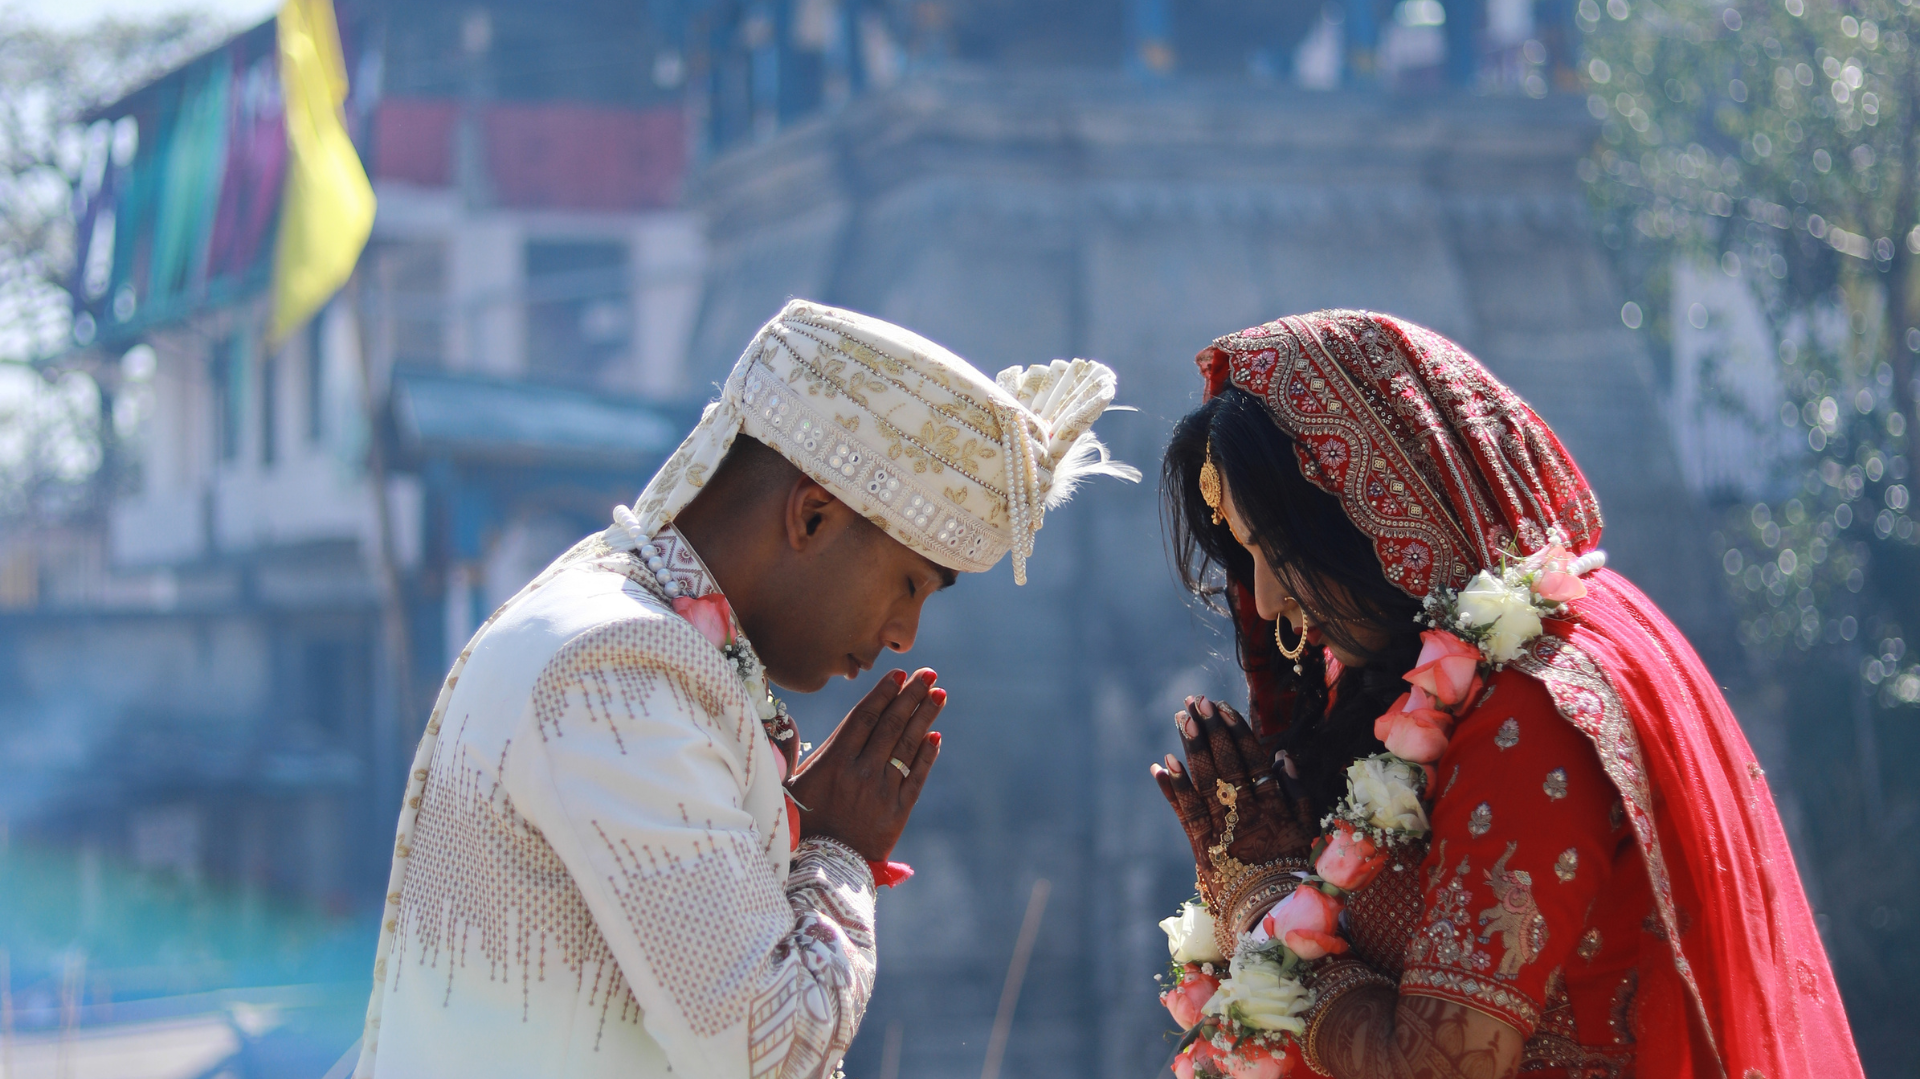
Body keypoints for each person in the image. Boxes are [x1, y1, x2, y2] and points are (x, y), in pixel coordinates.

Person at [352, 299, 1136, 1079]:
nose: (905, 633)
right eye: (909, 583)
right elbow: (772, 1051)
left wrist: (794, 837)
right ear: (814, 516)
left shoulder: (617, 624)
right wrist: (838, 855)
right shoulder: (620, 667)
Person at [1150, 310, 1862, 1079]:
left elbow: (1442, 1065)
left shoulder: (1532, 704)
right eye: (1250, 555)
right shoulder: (1389, 687)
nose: (1264, 601)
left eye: (1281, 552)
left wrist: (1261, 901)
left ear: (1374, 512)